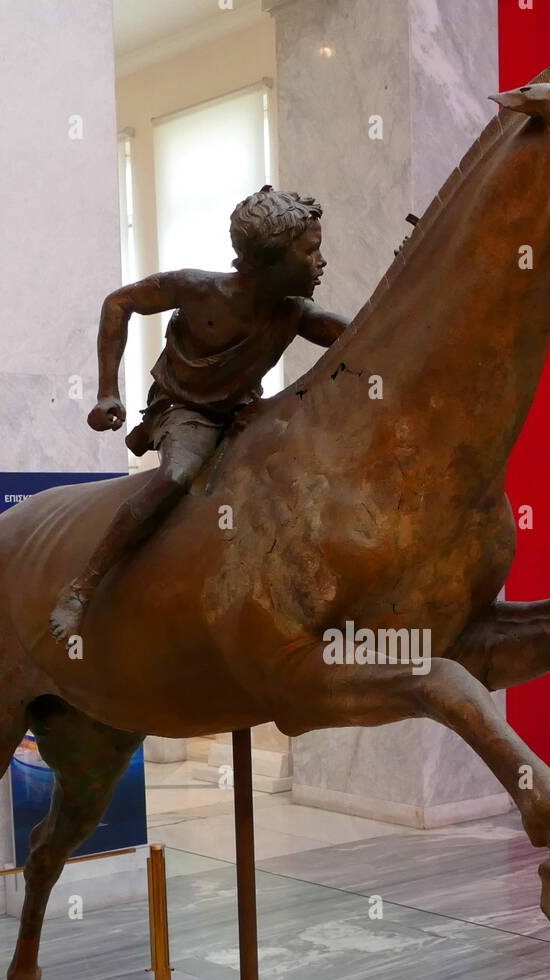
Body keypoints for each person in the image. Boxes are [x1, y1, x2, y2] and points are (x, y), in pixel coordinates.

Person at [48, 186, 349, 642]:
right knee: (177, 474)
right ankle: (82, 588)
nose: (321, 263)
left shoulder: (295, 313)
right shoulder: (197, 289)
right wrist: (108, 391)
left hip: (248, 413)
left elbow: (356, 334)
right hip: (188, 412)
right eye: (310, 252)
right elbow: (119, 303)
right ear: (271, 259)